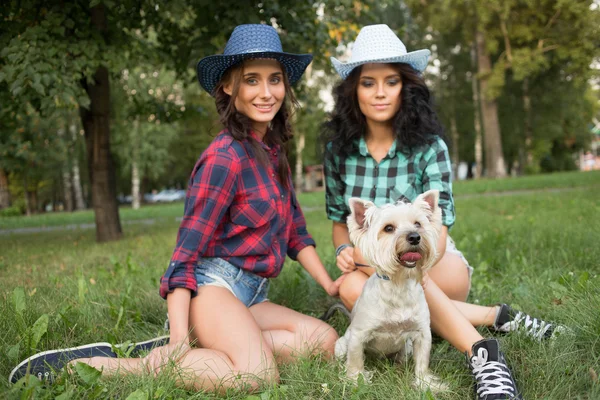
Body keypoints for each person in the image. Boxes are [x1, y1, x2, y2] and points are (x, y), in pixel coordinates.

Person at [10, 24, 342, 394]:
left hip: (252, 294)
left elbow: (295, 231)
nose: (266, 93)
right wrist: (180, 338)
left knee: (322, 342)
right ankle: (119, 365)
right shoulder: (223, 158)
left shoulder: (272, 153)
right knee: (258, 377)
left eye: (275, 80)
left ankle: (217, 346)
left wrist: (331, 285)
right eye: (252, 80)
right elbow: (184, 257)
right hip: (213, 289)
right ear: (230, 87)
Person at [321, 24, 566, 400]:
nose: (381, 92)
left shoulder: (429, 146)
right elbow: (340, 222)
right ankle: (493, 316)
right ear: (353, 90)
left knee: (409, 278)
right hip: (371, 262)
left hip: (434, 259)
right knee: (357, 286)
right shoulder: (338, 152)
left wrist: (413, 263)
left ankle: (483, 355)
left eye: (391, 81)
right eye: (369, 83)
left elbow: (439, 226)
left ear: (407, 87)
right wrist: (343, 251)